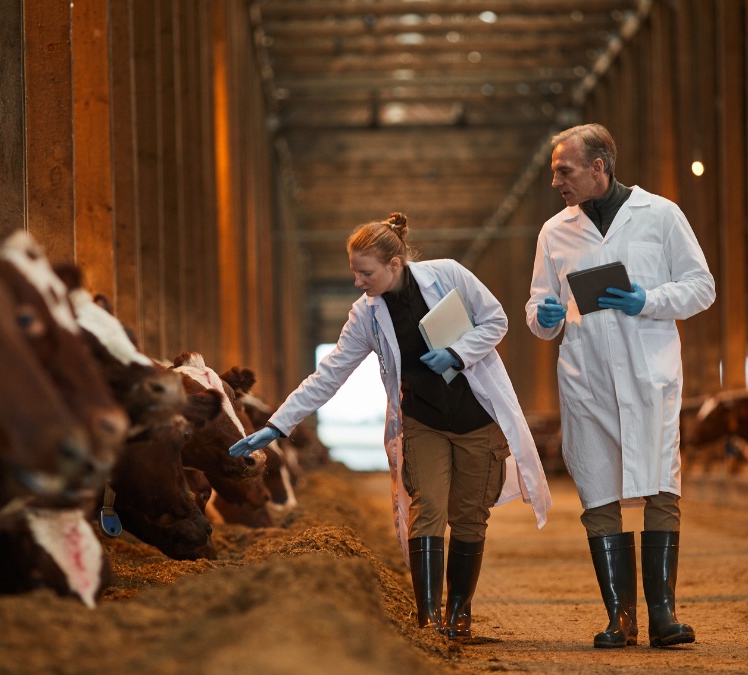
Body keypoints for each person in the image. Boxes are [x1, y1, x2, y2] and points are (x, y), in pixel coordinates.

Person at [231, 213, 552, 638]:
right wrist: (277, 425)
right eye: (354, 272)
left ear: (395, 264)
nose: (358, 281)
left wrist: (457, 353)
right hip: (423, 421)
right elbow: (330, 373)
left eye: (365, 272)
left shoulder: (449, 275)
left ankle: (458, 614)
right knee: (429, 510)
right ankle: (428, 616)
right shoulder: (366, 314)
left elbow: (496, 320)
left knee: (470, 516)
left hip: (478, 418)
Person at [526, 124, 715, 649]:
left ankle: (663, 616)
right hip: (586, 381)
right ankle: (620, 620)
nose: (556, 182)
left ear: (598, 168)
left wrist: (647, 300)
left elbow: (702, 287)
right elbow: (539, 309)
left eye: (564, 171)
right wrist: (542, 316)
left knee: (661, 485)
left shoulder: (661, 215)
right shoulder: (553, 232)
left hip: (649, 375)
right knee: (599, 492)